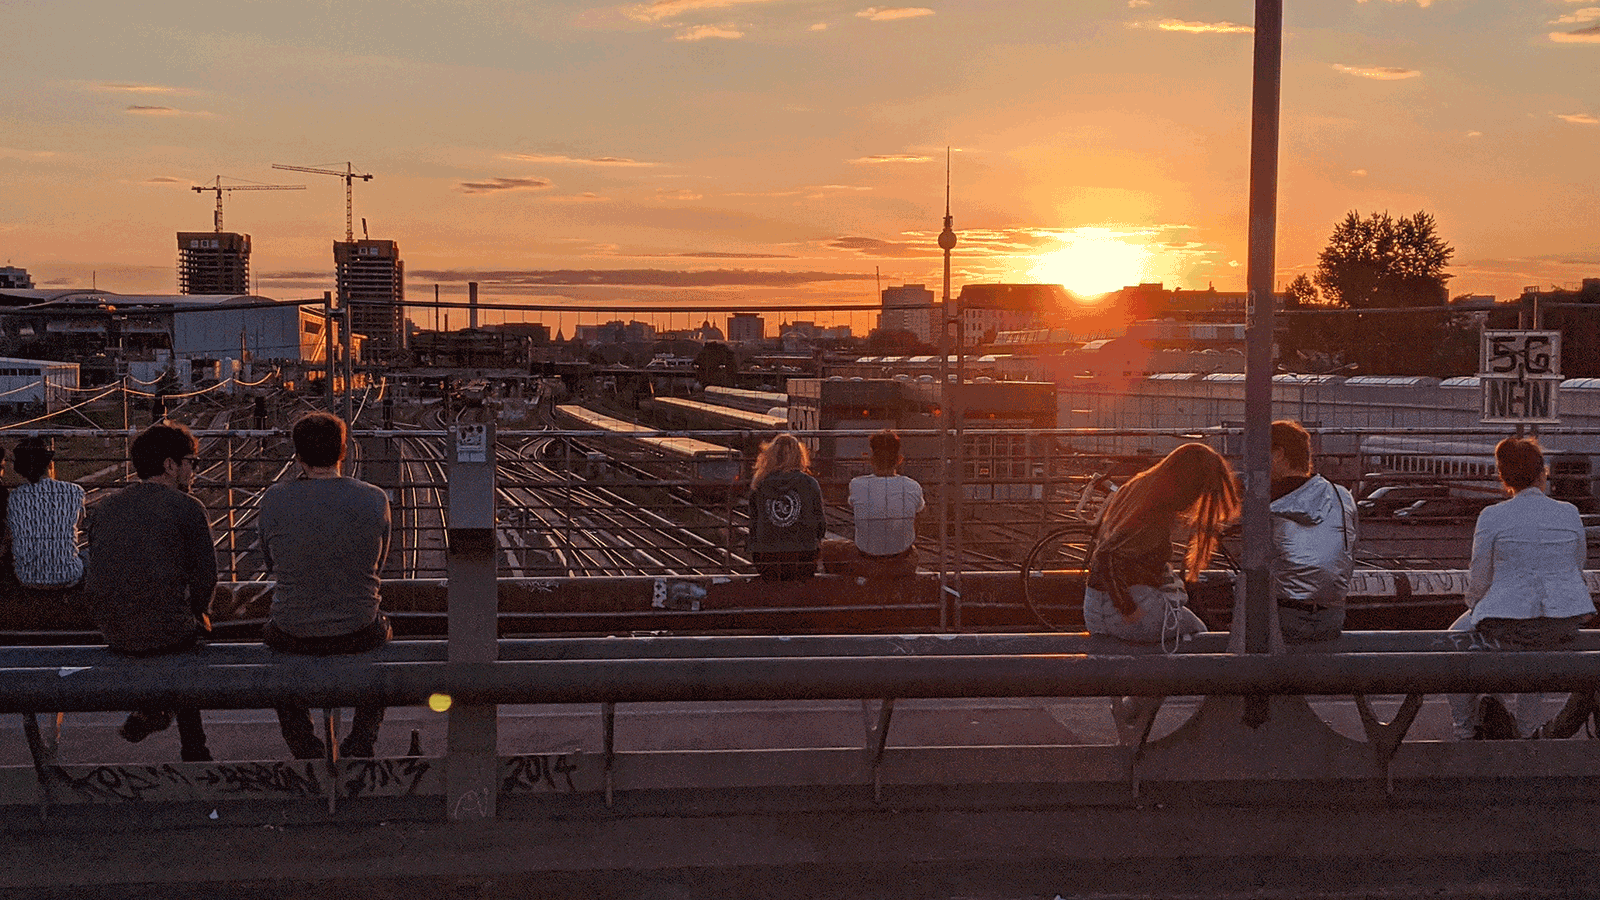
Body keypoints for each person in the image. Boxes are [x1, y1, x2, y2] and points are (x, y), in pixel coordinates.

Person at [259, 411, 393, 759]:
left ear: (298, 455)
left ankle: (304, 746)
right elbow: (377, 564)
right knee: (382, 635)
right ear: (343, 451)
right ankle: (361, 741)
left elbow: (271, 563)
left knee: (274, 642)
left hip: (293, 632)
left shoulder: (274, 498)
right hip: (358, 630)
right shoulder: (375, 498)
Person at [84, 422, 218, 761]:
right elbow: (206, 578)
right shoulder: (188, 508)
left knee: (170, 633)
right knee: (185, 641)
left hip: (114, 631)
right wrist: (199, 613)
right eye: (192, 462)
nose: (194, 470)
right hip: (167, 634)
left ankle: (155, 711)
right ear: (170, 465)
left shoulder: (104, 507)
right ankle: (192, 747)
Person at [1447, 438, 1593, 740]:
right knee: (1538, 646)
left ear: (1504, 479)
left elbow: (1479, 579)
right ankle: (1528, 730)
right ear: (1543, 473)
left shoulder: (1491, 516)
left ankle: (1465, 730)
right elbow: (1577, 567)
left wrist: (1478, 608)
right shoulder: (1569, 513)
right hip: (1562, 622)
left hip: (1507, 624)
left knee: (1452, 641)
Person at [1084, 442, 1241, 645]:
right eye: (1198, 492)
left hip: (1096, 609)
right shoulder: (1152, 512)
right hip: (1119, 611)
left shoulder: (1138, 488)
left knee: (1182, 628)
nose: (1196, 500)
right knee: (1200, 636)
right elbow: (1106, 555)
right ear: (1189, 485)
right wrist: (1128, 609)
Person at [1268, 420, 1357, 644]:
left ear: (1278, 454)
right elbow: (1350, 549)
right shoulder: (1342, 496)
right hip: (1333, 615)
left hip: (1282, 614)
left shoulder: (1266, 498)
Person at [843, 430, 924, 580]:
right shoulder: (913, 486)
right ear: (899, 459)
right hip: (902, 562)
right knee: (913, 550)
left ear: (871, 460)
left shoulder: (856, 484)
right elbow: (917, 522)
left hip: (866, 561)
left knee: (830, 548)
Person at [8, 436, 85, 591]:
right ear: (50, 464)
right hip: (68, 577)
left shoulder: (14, 498)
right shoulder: (75, 491)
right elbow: (79, 523)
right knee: (87, 555)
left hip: (27, 578)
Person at [747, 433, 825, 582]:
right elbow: (820, 526)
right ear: (799, 456)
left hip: (767, 560)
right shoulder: (810, 483)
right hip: (802, 559)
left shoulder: (759, 484)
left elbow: (753, 525)